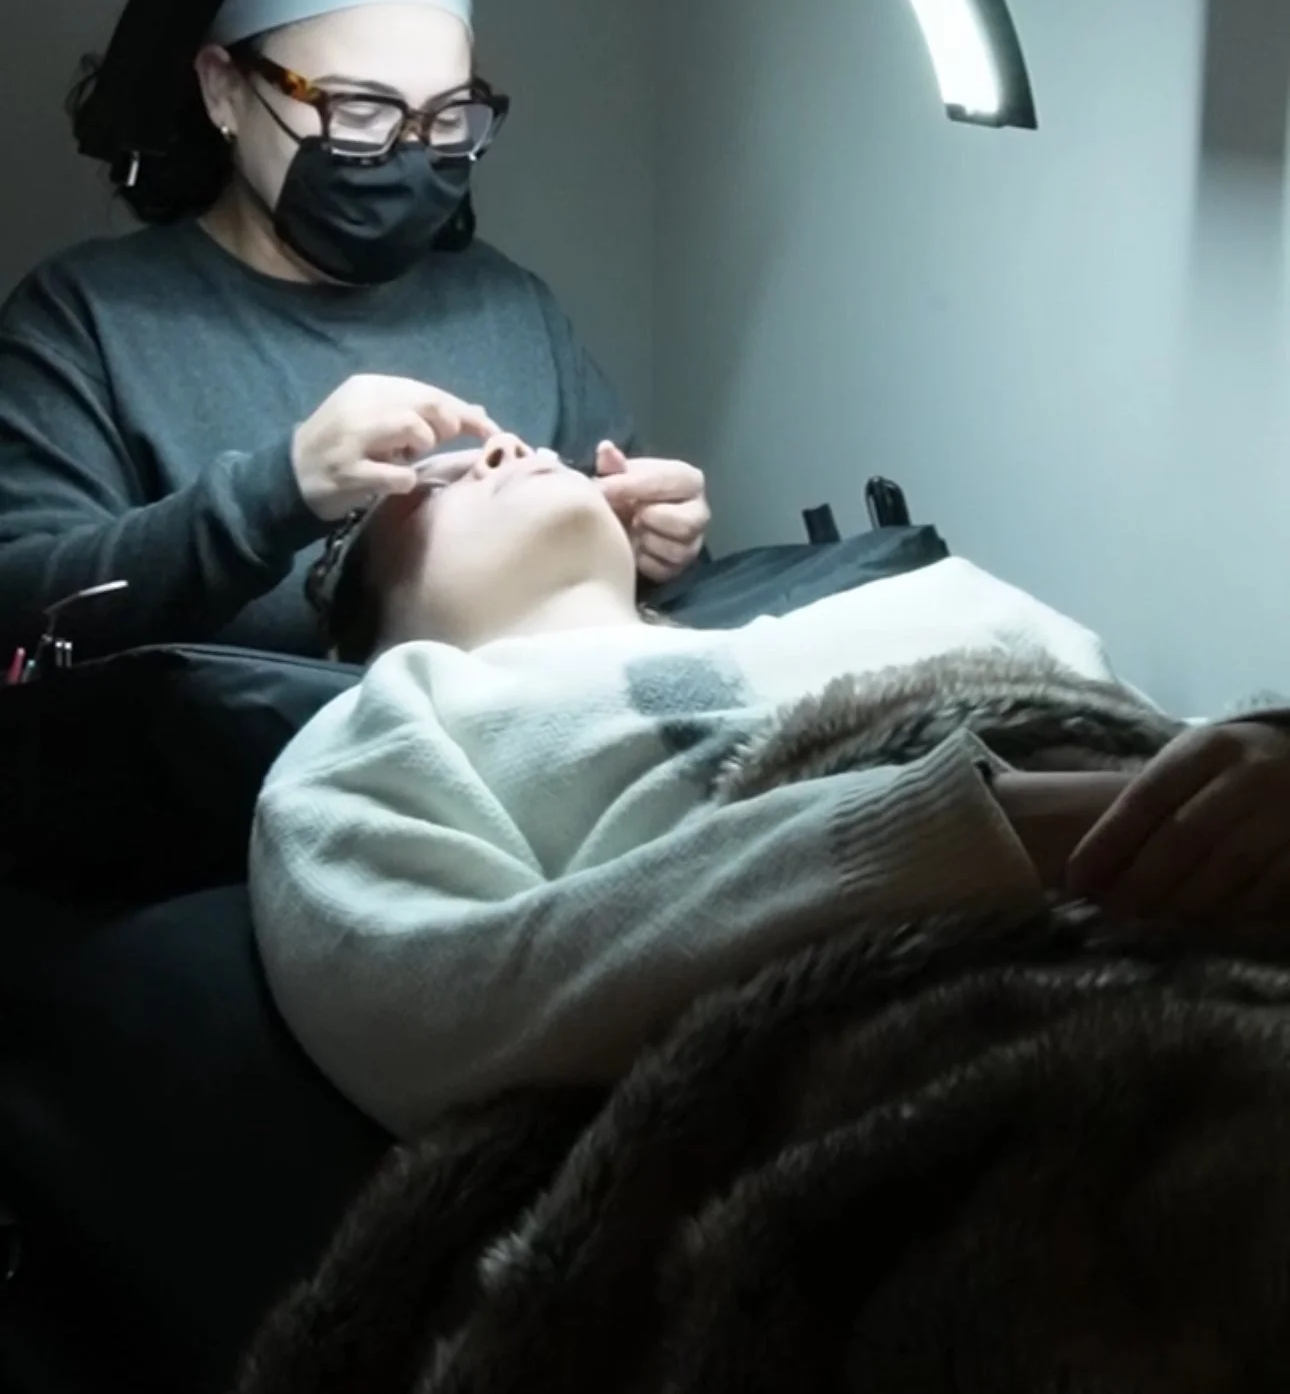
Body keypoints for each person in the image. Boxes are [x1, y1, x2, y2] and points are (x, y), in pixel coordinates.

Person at [251, 431, 1290, 1143]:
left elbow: (1175, 748)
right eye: (436, 470)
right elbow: (442, 1008)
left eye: (521, 441)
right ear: (355, 608)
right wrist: (967, 833)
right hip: (970, 1084)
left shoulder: (939, 599)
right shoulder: (384, 723)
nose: (505, 446)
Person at [0, 0, 709, 660]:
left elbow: (615, 608)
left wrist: (656, 547)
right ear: (224, 89)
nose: (411, 153)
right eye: (361, 112)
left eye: (448, 117)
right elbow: (23, 609)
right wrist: (276, 494)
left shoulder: (508, 310)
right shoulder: (89, 322)